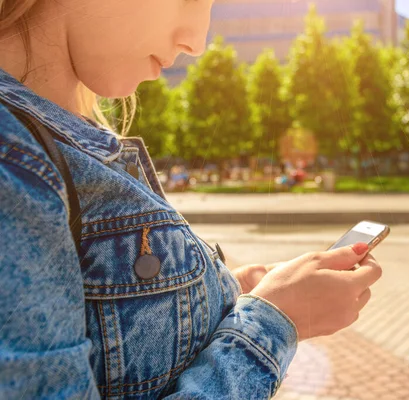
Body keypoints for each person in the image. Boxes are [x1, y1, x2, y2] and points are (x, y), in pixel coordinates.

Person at [0, 1, 382, 399]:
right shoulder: (12, 161)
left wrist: (221, 292)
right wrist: (276, 320)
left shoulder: (57, 141)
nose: (197, 42)